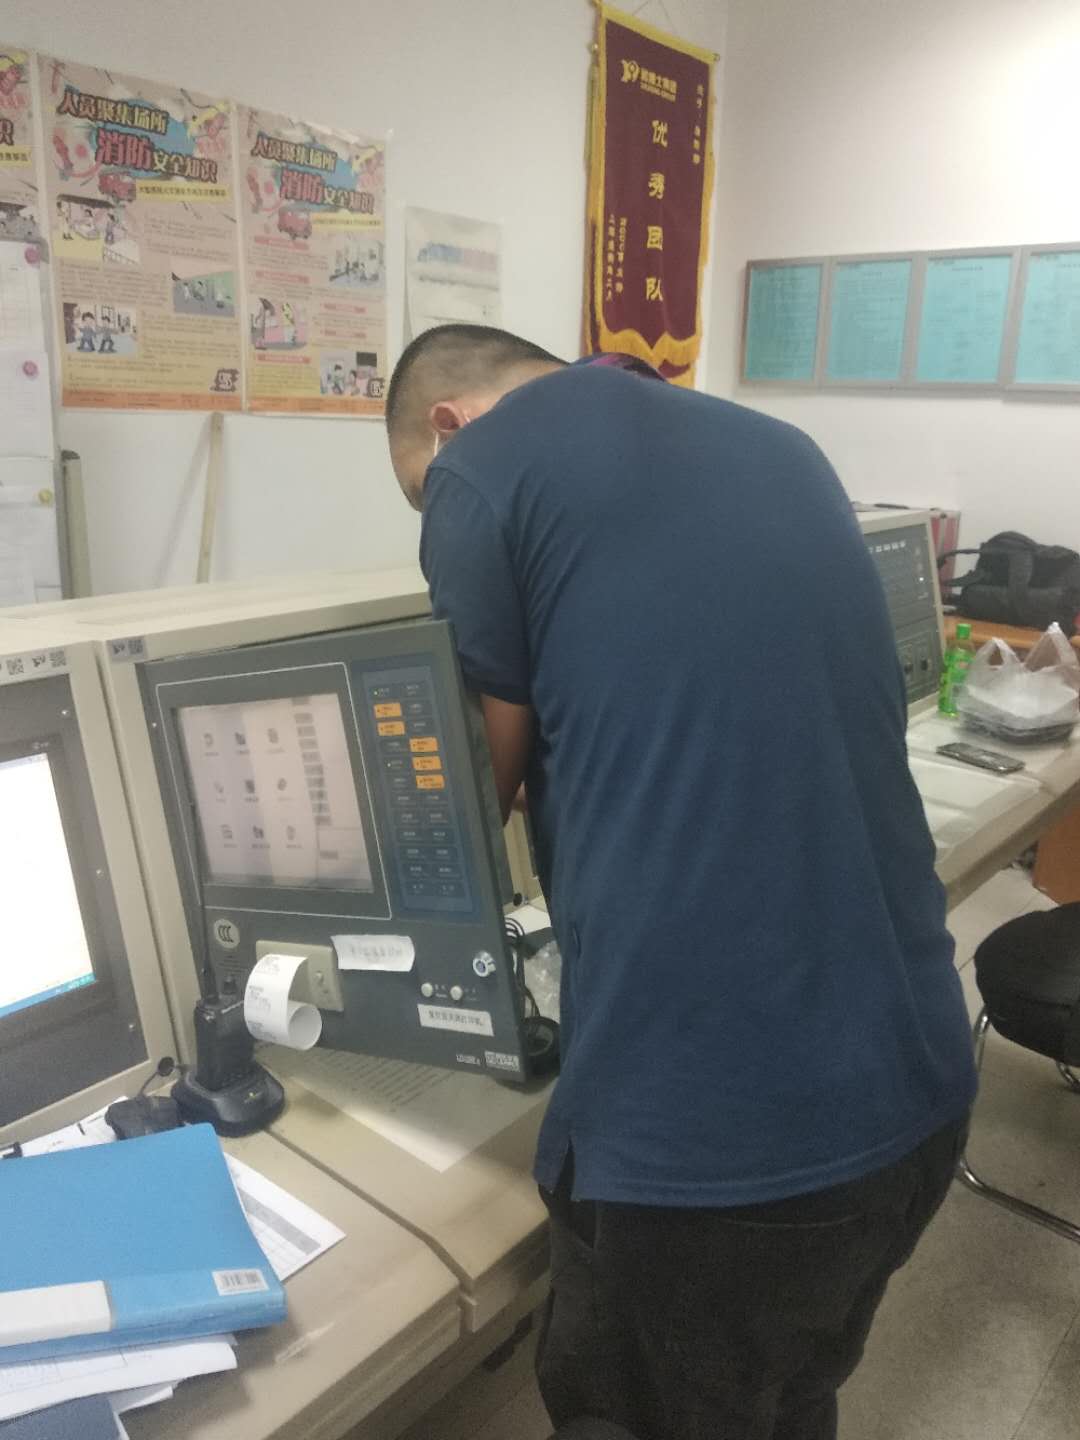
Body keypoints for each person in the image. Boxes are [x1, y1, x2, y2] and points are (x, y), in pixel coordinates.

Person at [384, 325, 976, 1440]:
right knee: (785, 1396)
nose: (435, 509)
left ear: (446, 425)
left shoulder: (480, 466)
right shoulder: (779, 445)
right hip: (916, 1092)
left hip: (722, 1164)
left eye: (422, 490)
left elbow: (469, 806)